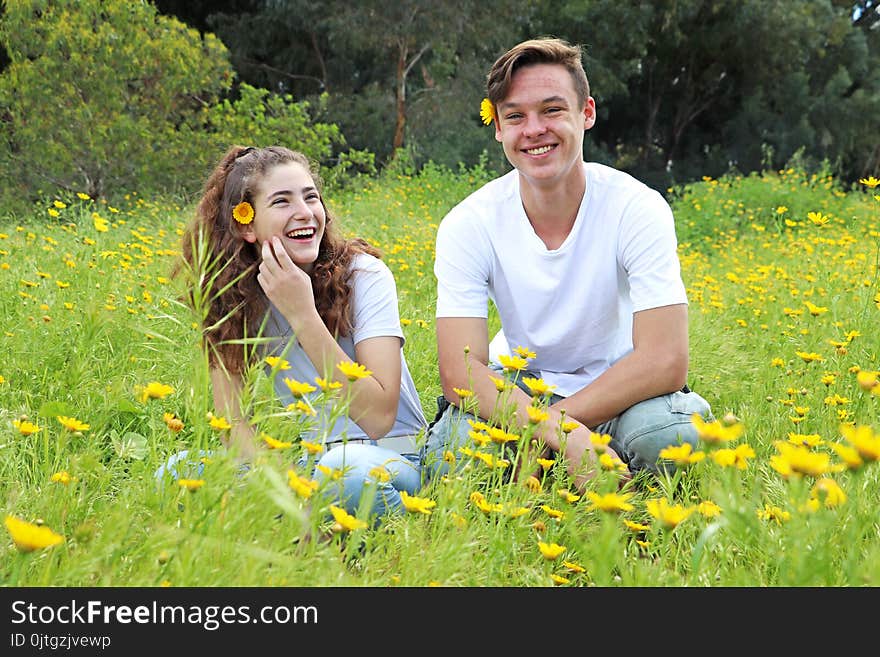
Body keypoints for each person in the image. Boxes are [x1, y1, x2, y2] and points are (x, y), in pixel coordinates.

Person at [425, 37, 714, 490]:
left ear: (587, 113)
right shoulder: (469, 222)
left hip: (623, 389)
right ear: (498, 128)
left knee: (673, 437)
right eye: (515, 116)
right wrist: (554, 429)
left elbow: (665, 359)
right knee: (454, 461)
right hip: (519, 385)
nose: (533, 129)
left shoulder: (636, 207)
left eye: (552, 110)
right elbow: (460, 371)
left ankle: (599, 476)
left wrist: (549, 429)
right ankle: (574, 465)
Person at [156, 145, 427, 522]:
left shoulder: (365, 276)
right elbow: (233, 423)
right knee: (177, 470)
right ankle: (300, 519)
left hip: (389, 456)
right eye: (282, 201)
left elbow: (379, 416)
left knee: (342, 472)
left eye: (311, 196)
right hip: (308, 464)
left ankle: (395, 531)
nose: (305, 212)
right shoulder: (231, 296)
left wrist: (302, 314)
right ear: (245, 224)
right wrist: (285, 487)